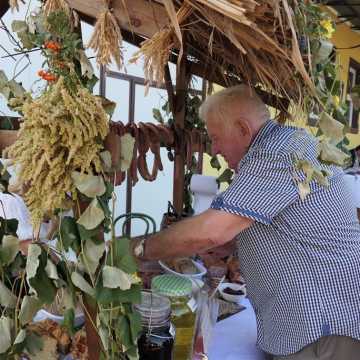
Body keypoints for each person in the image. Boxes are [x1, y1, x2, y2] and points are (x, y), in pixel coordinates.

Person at [131, 85, 360, 360]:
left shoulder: (278, 153)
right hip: (308, 326)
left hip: (321, 328)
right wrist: (231, 247)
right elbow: (281, 224)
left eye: (216, 138)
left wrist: (140, 249)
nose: (213, 150)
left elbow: (210, 233)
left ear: (242, 129)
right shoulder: (285, 145)